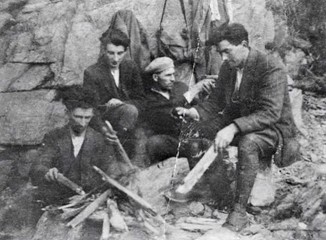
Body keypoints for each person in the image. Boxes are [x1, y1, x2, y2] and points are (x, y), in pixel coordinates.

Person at [176, 23, 297, 231]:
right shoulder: (228, 67)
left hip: (273, 131)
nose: (223, 58)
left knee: (248, 143)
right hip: (244, 124)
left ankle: (239, 211)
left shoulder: (271, 67)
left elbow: (270, 113)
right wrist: (195, 113)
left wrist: (232, 128)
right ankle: (222, 195)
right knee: (199, 131)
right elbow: (215, 103)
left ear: (243, 44)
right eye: (221, 53)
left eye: (227, 52)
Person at [30, 86, 130, 205]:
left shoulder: (100, 140)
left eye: (87, 118)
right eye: (77, 117)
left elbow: (112, 170)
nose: (82, 123)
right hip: (57, 200)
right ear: (67, 113)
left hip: (90, 201)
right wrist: (47, 172)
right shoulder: (54, 137)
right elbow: (38, 166)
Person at [142, 57, 215, 164]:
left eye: (173, 74)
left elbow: (199, 107)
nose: (173, 79)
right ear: (155, 77)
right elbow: (170, 111)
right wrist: (194, 90)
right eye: (168, 75)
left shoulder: (180, 87)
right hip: (172, 140)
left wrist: (208, 95)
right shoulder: (148, 98)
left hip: (194, 133)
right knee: (154, 142)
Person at [83, 29, 145, 139]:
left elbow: (141, 100)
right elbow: (91, 109)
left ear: (126, 51)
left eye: (120, 53)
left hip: (129, 120)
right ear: (103, 50)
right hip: (104, 121)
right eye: (111, 53)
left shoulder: (131, 67)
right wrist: (103, 129)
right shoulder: (92, 73)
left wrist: (121, 103)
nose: (115, 59)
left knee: (131, 111)